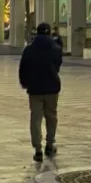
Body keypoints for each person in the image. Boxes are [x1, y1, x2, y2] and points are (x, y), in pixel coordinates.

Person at [19, 22, 63, 162]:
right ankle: (50, 144)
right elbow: (57, 65)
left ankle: (37, 148)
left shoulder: (29, 50)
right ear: (49, 32)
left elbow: (23, 69)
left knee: (36, 118)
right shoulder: (55, 48)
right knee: (51, 116)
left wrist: (25, 83)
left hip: (35, 89)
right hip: (51, 88)